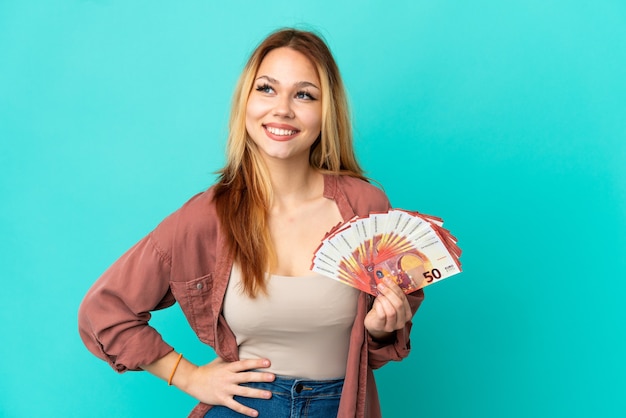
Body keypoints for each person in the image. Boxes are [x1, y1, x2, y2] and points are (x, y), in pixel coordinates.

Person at [78, 28, 425, 418]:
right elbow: (104, 310)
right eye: (267, 89)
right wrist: (188, 375)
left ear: (326, 111)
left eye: (304, 94)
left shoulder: (366, 207)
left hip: (340, 405)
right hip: (246, 408)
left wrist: (379, 328)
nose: (283, 109)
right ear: (245, 102)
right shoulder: (206, 216)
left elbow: (378, 350)